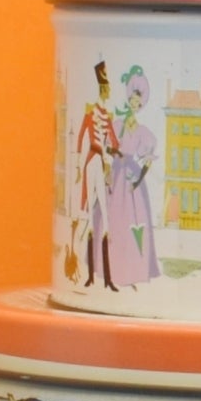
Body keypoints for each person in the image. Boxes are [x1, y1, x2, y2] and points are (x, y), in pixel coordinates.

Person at [104, 65, 162, 288]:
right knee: (113, 218)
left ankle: (133, 270)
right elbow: (108, 148)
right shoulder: (117, 125)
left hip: (131, 177)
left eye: (138, 102)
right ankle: (113, 267)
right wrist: (112, 156)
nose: (134, 104)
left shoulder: (142, 132)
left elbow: (147, 160)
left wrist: (138, 180)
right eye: (132, 100)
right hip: (117, 173)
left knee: (135, 220)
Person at [74, 60, 121, 290]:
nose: (109, 91)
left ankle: (107, 278)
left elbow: (114, 141)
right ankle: (91, 276)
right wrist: (77, 167)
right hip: (92, 162)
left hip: (101, 164)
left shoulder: (107, 116)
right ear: (103, 90)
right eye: (108, 88)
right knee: (93, 216)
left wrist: (111, 154)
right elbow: (82, 138)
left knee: (104, 213)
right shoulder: (89, 113)